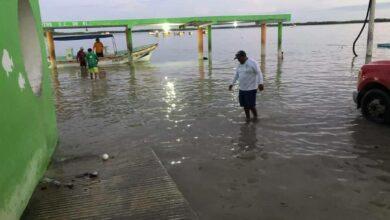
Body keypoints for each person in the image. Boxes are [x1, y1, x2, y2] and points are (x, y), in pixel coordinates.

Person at [229, 50, 264, 122]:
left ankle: (255, 117)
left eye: (239, 58)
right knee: (244, 105)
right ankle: (247, 118)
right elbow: (236, 75)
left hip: (251, 88)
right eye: (237, 59)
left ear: (243, 56)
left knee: (251, 105)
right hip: (242, 88)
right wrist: (232, 84)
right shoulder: (239, 65)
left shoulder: (252, 63)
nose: (238, 60)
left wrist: (260, 83)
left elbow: (259, 73)